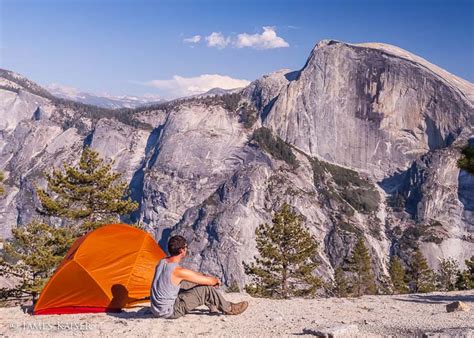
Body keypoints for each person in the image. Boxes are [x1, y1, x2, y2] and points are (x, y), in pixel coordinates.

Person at [150, 235, 248, 319]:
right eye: (186, 247)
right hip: (169, 311)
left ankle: (213, 304)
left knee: (188, 282)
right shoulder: (177, 271)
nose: (187, 249)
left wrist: (203, 277)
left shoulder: (162, 262)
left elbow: (191, 276)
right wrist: (214, 280)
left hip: (156, 309)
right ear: (181, 250)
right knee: (205, 289)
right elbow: (210, 282)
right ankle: (229, 308)